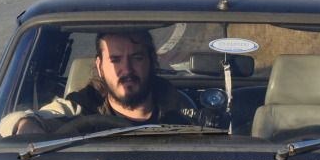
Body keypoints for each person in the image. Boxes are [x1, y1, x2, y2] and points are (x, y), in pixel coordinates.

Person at [13, 30, 194, 135]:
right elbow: (10, 123)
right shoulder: (78, 108)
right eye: (115, 60)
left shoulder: (184, 109)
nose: (127, 69)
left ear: (152, 60)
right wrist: (25, 124)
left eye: (137, 57)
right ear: (100, 66)